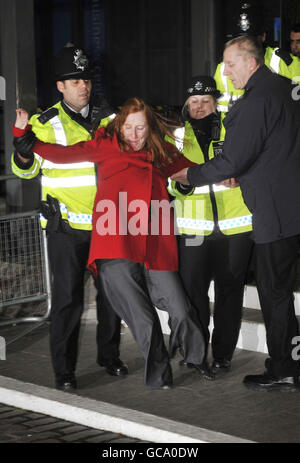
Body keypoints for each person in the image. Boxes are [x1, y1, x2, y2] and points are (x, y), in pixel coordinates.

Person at [13, 97, 208, 389]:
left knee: (181, 309)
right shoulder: (107, 145)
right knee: (144, 320)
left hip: (154, 245)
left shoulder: (160, 151)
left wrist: (229, 170)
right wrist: (23, 139)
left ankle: (195, 358)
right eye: (129, 127)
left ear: (149, 127)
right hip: (115, 245)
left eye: (140, 127)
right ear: (120, 126)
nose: (134, 134)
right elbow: (63, 154)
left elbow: (191, 170)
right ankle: (158, 375)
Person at [171, 35, 300, 392]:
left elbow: (233, 160)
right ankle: (288, 363)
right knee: (281, 291)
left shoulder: (253, 102)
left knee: (275, 293)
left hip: (273, 213)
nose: (225, 73)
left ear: (251, 62)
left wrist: (190, 175)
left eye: (230, 64)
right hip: (290, 208)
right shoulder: (288, 91)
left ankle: (283, 368)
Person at [11, 44, 127, 392]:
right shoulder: (43, 124)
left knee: (112, 297)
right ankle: (64, 371)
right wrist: (23, 153)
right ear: (60, 86)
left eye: (86, 80)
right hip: (65, 228)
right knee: (68, 300)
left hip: (106, 223)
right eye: (75, 81)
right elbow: (26, 172)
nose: (83, 86)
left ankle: (109, 357)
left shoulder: (110, 119)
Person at [168, 76, 253, 376]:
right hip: (193, 229)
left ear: (215, 102)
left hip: (236, 226)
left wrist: (237, 175)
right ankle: (195, 350)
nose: (200, 107)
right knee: (194, 294)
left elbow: (250, 164)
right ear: (186, 106)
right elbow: (172, 181)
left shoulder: (236, 128)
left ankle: (223, 355)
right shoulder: (176, 136)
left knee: (231, 293)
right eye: (194, 102)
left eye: (205, 101)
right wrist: (189, 185)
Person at [214, 1, 289, 113]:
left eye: (250, 40)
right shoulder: (222, 70)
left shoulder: (287, 64)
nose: (244, 46)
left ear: (263, 36)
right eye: (239, 41)